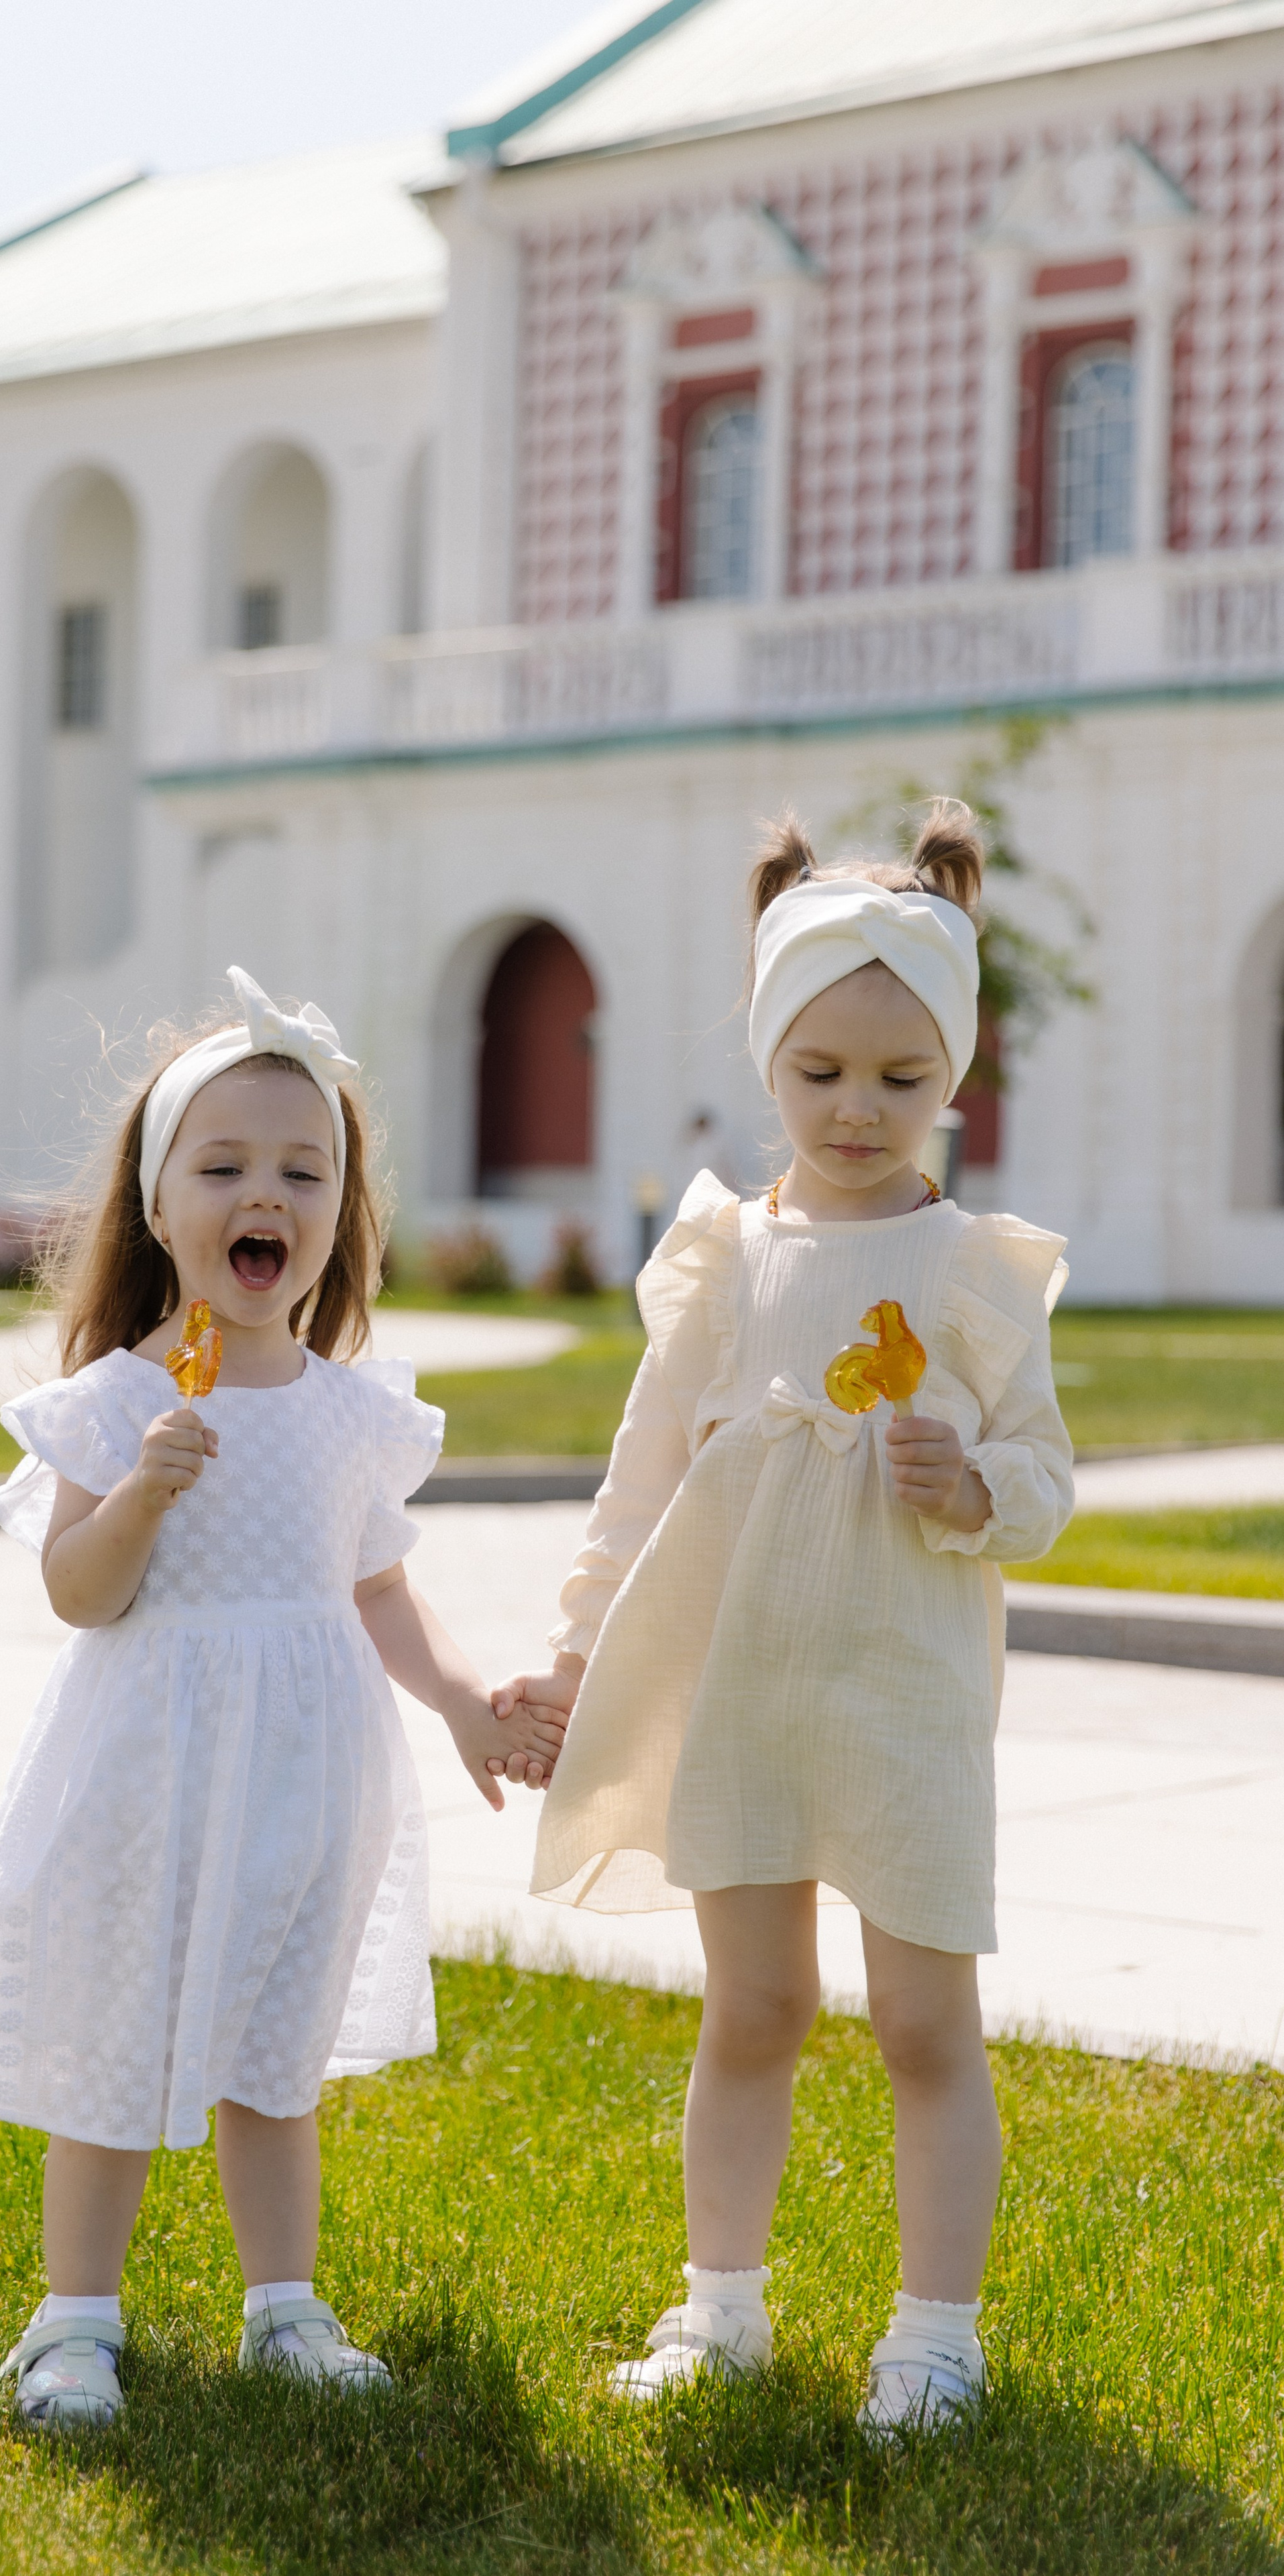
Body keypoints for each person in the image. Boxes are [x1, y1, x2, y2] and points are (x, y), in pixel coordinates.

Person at [0, 966, 564, 2428]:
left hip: (306, 1780)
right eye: (221, 1168)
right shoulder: (120, 1399)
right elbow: (79, 1591)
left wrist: (464, 1698)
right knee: (117, 2046)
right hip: (147, 1774)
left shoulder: (347, 1409)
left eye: (300, 1171)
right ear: (159, 1208)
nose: (263, 1193)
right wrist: (140, 1495)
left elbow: (378, 1588)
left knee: (275, 2061)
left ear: (339, 1215)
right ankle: (74, 2321)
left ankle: (286, 2309)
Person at [495, 802, 1073, 2434]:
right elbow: (641, 1474)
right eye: (819, 1072)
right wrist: (577, 1647)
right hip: (740, 1688)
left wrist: (973, 1482)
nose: (856, 1109)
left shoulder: (968, 1270)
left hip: (902, 1692)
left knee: (922, 2020)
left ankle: (933, 2338)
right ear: (767, 1060)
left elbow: (1044, 1474)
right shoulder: (723, 1256)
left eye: (899, 1077)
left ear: (951, 1075)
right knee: (752, 2006)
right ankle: (719, 2309)